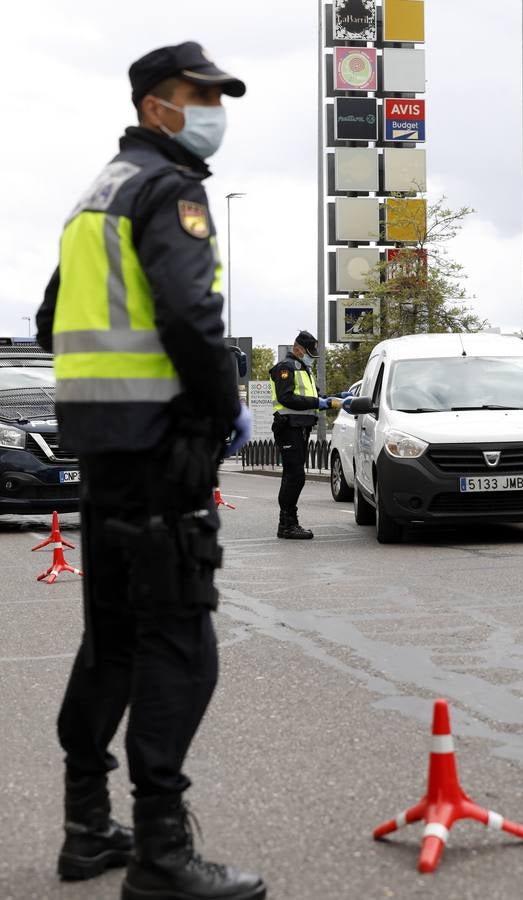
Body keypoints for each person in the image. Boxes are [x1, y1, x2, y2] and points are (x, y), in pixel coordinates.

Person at [35, 41, 265, 900]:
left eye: (216, 95)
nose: (211, 110)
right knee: (180, 643)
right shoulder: (170, 190)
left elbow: (52, 311)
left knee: (115, 641)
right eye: (195, 95)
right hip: (164, 450)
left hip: (103, 452)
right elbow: (188, 315)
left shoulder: (99, 194)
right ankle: (164, 856)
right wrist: (216, 411)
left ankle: (87, 829)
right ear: (152, 105)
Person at [269, 331, 350, 539]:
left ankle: (287, 523)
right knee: (294, 476)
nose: (311, 356)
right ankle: (287, 525)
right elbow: (287, 398)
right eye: (308, 352)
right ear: (297, 349)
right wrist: (319, 403)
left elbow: (314, 397)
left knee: (294, 476)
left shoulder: (303, 369)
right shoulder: (285, 368)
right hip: (288, 428)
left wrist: (335, 398)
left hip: (300, 428)